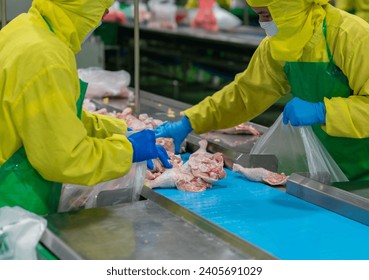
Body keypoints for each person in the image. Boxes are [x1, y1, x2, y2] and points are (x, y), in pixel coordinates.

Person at [155, 0, 369, 182]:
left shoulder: (351, 36)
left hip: (364, 173)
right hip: (324, 168)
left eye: (267, 14)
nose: (264, 23)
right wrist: (190, 121)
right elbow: (244, 94)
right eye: (259, 15)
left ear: (288, 7)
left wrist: (324, 111)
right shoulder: (279, 44)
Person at [0, 0, 172, 215]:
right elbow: (64, 159)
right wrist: (127, 151)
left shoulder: (24, 28)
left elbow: (49, 116)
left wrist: (118, 129)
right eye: (101, 8)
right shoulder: (47, 57)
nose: (104, 17)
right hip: (12, 202)